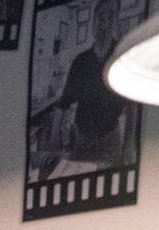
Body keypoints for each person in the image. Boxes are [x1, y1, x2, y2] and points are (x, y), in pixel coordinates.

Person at [34, 5, 127, 168]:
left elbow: (132, 105)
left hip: (110, 138)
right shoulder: (80, 62)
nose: (104, 24)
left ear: (114, 24)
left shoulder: (122, 58)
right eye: (100, 19)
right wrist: (54, 142)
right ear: (92, 25)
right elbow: (63, 104)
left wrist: (131, 141)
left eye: (109, 19)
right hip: (82, 138)